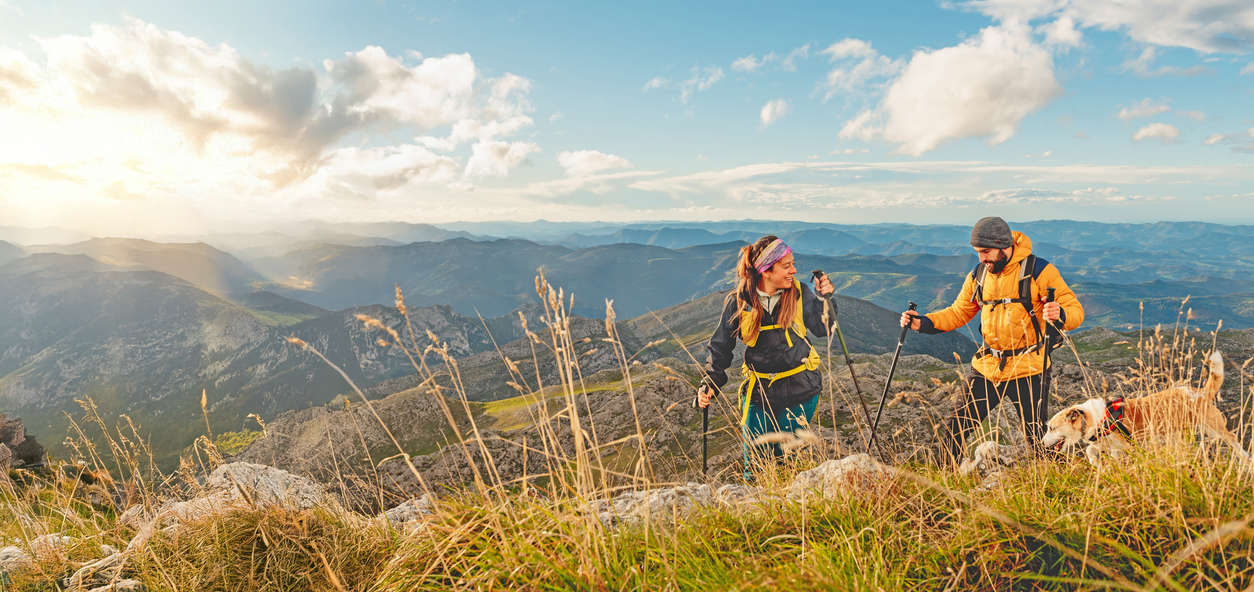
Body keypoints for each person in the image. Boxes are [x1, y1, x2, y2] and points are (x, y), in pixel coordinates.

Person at [900, 217, 1083, 465]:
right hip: (988, 366)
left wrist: (1060, 314)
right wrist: (922, 323)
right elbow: (958, 312)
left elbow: (1075, 311)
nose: (981, 258)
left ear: (1003, 246)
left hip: (1029, 368)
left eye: (986, 251)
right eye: (978, 252)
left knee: (1037, 436)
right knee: (956, 429)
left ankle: (1053, 477)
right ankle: (944, 479)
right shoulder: (979, 275)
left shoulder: (1039, 271)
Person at [698, 235, 834, 479]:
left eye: (793, 264)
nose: (794, 270)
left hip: (800, 389)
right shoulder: (739, 302)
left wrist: (826, 300)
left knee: (787, 461)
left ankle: (789, 503)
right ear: (766, 271)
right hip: (759, 392)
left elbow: (824, 328)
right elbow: (720, 347)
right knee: (755, 466)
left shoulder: (799, 293)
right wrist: (709, 383)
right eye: (786, 266)